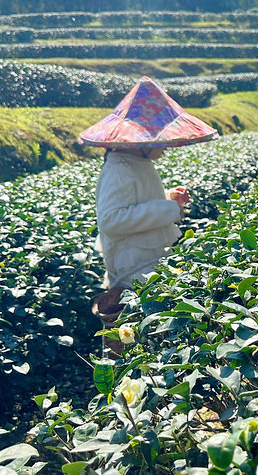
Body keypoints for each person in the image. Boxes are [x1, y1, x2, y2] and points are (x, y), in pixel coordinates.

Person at [78, 76, 218, 347]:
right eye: (159, 139)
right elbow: (110, 220)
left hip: (146, 262)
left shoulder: (136, 162)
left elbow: (138, 203)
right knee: (129, 339)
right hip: (132, 268)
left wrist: (168, 199)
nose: (165, 145)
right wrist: (167, 208)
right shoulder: (119, 168)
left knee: (146, 337)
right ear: (140, 140)